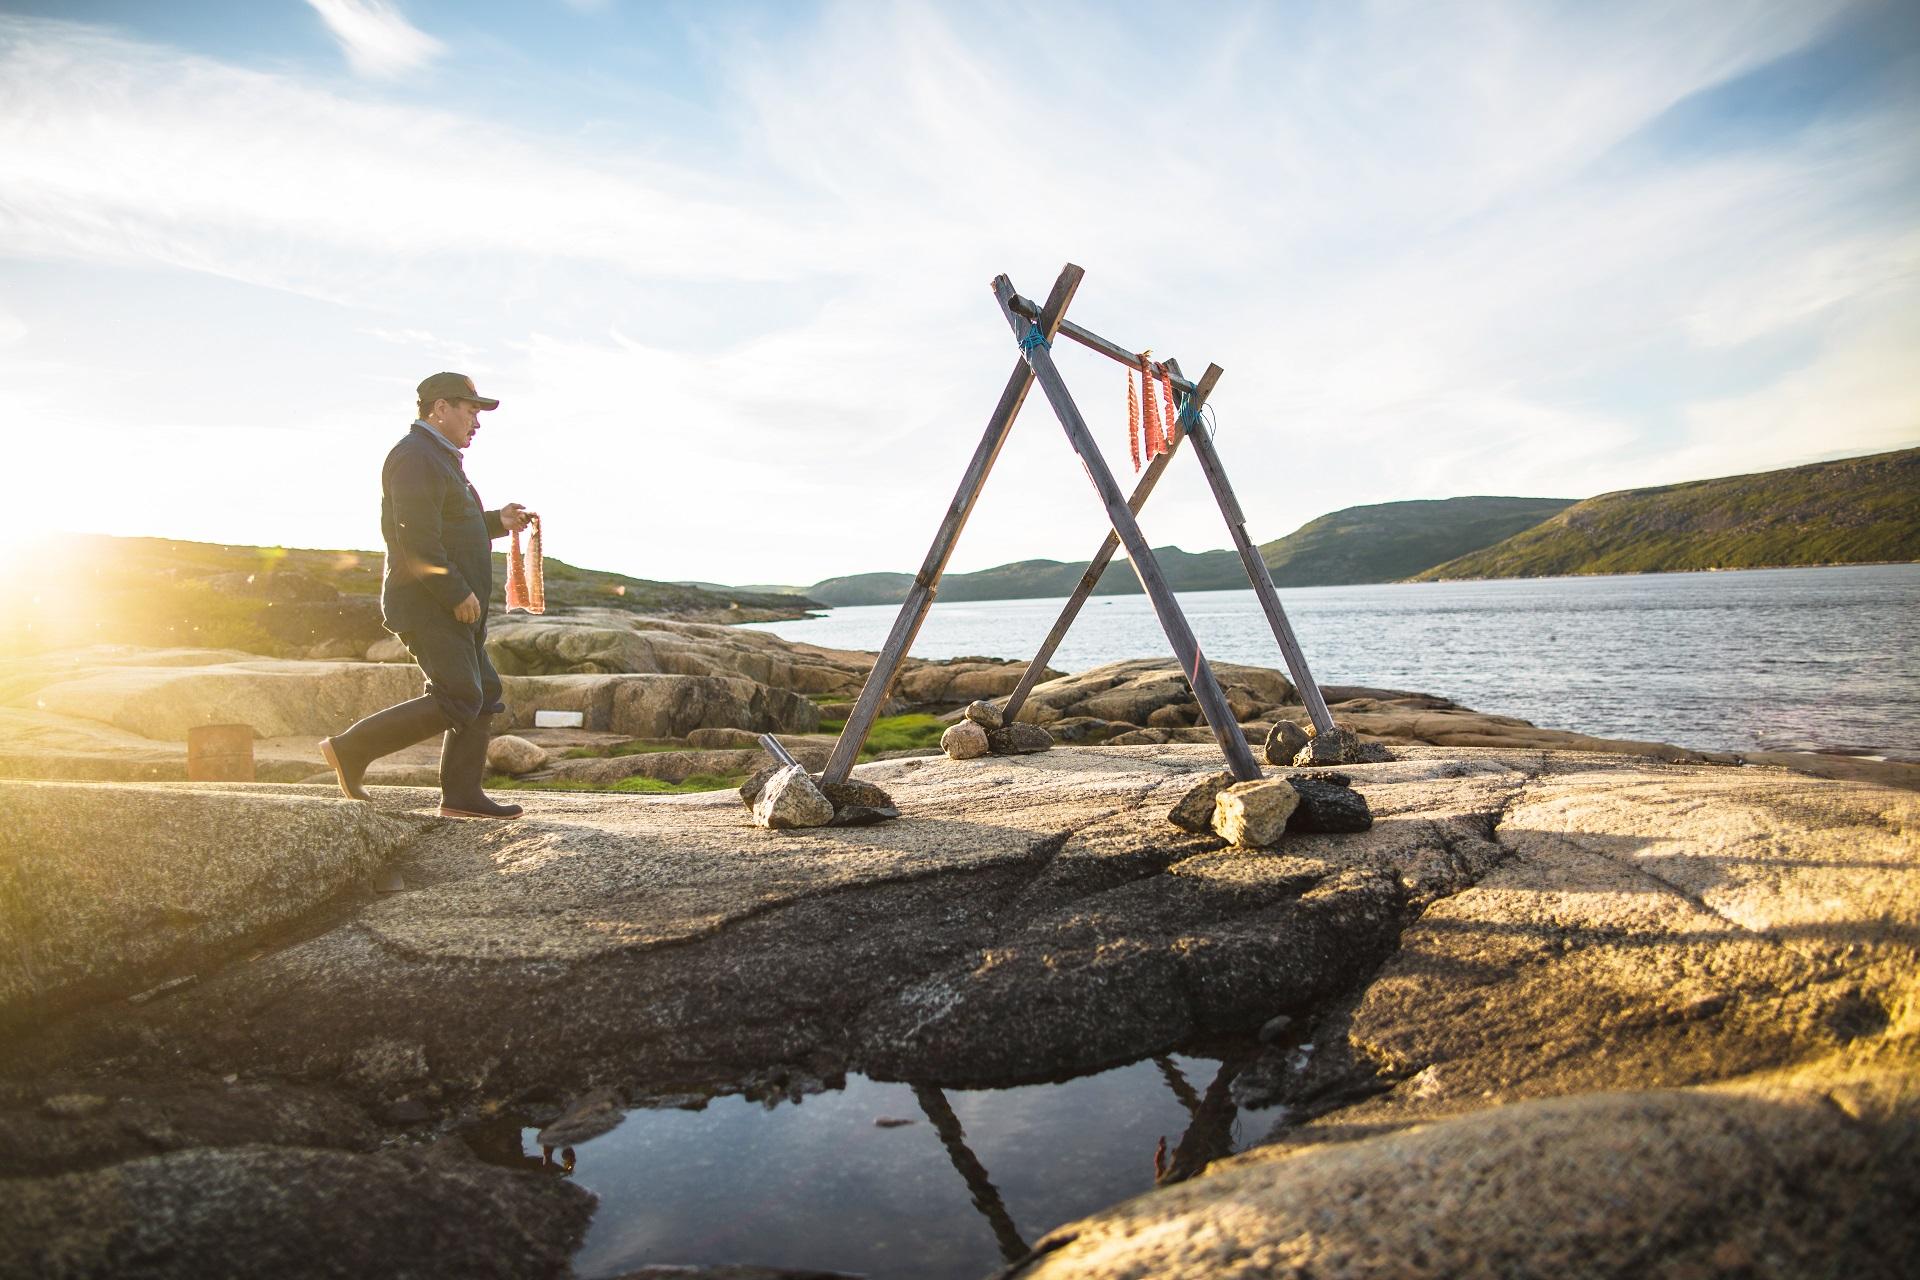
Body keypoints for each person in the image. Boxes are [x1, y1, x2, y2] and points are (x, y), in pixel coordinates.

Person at [320, 372, 537, 819]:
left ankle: (461, 796)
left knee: (483, 691)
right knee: (459, 692)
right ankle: (350, 749)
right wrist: (454, 591)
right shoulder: (415, 456)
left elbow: (454, 525)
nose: (477, 422)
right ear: (440, 408)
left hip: (452, 606)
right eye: (471, 410)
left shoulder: (439, 458)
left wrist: (500, 519)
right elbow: (415, 536)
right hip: (429, 603)